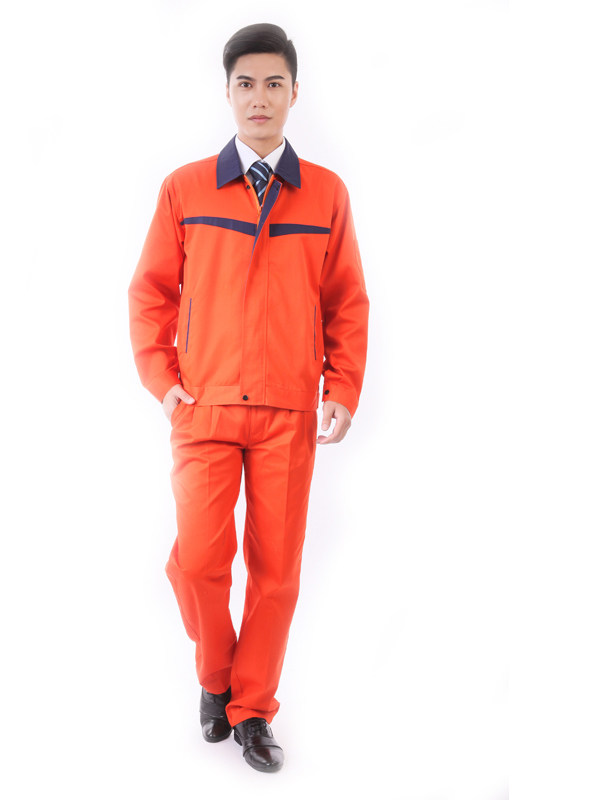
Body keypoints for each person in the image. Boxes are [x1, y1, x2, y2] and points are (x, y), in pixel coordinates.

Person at [128, 22, 369, 773]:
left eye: (273, 83)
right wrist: (164, 383)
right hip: (203, 407)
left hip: (287, 409)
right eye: (245, 83)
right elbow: (151, 293)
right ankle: (217, 676)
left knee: (276, 573)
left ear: (295, 93)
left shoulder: (325, 193)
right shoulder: (186, 188)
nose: (259, 97)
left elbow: (345, 300)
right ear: (227, 92)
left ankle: (253, 709)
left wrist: (341, 386)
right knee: (200, 562)